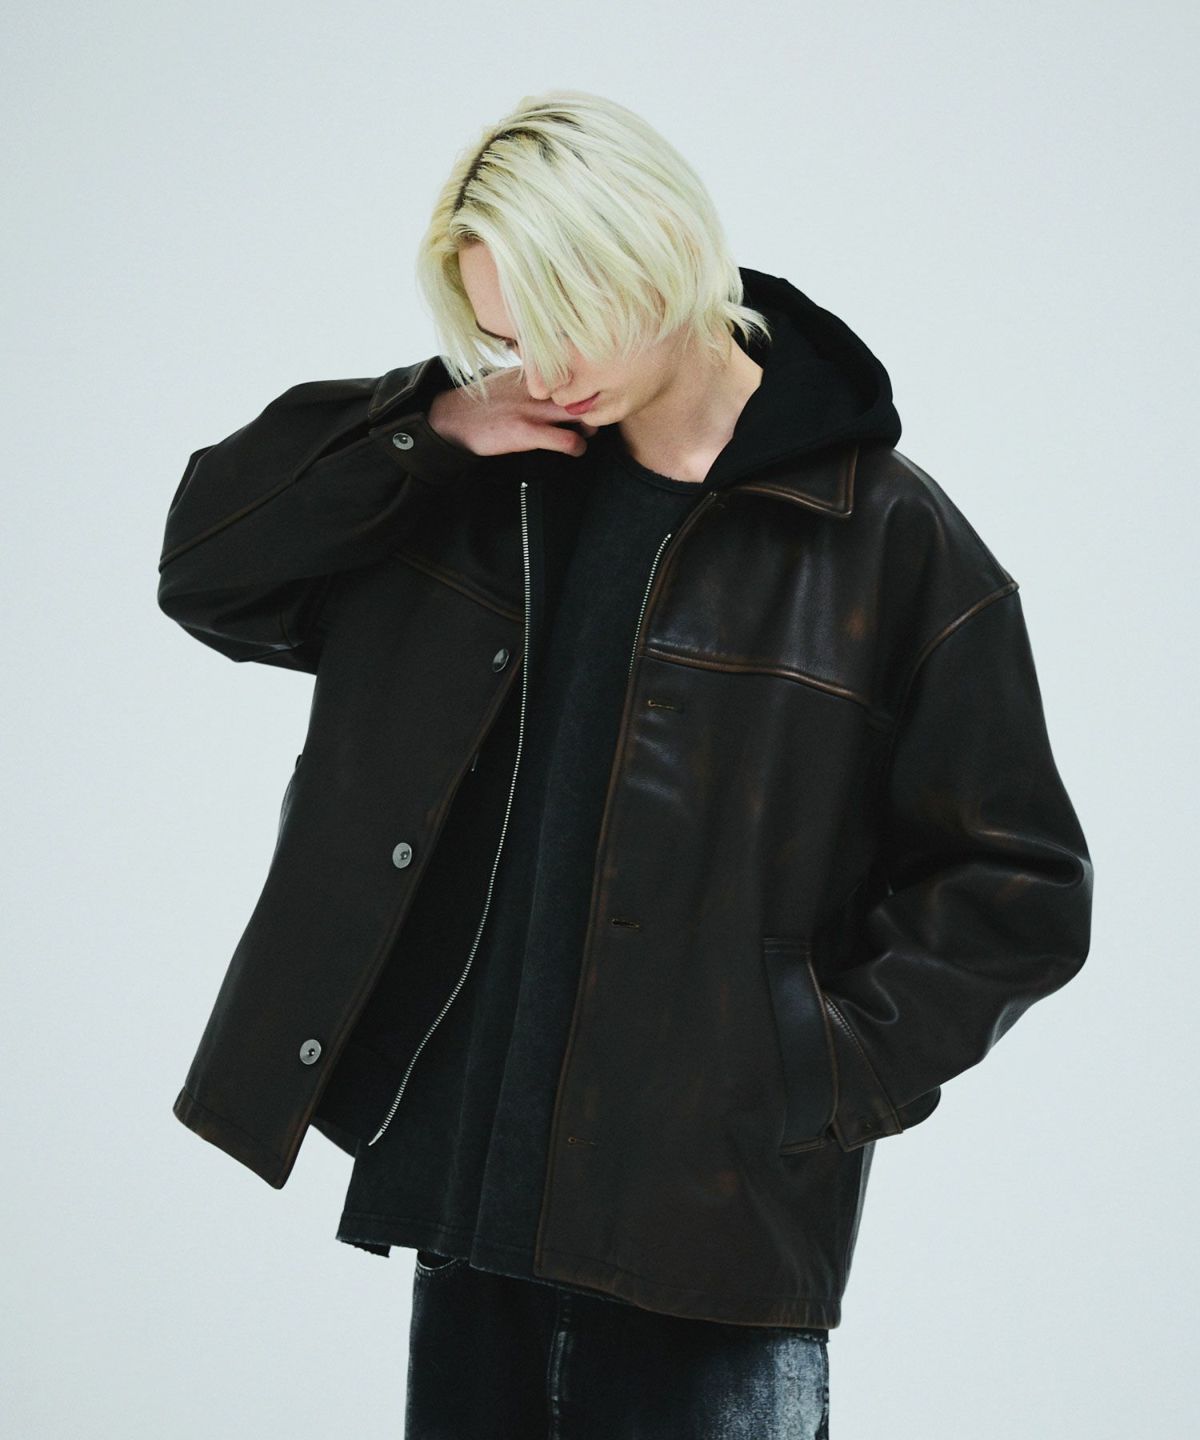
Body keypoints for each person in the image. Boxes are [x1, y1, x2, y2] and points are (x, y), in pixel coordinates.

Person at [157, 89, 1093, 1439]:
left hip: (711, 1250)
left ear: (659, 252)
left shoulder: (887, 542)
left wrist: (812, 1071)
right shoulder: (484, 483)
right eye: (502, 331)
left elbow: (1017, 889)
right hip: (477, 1214)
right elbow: (210, 572)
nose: (537, 365)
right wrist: (428, 428)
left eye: (560, 311)